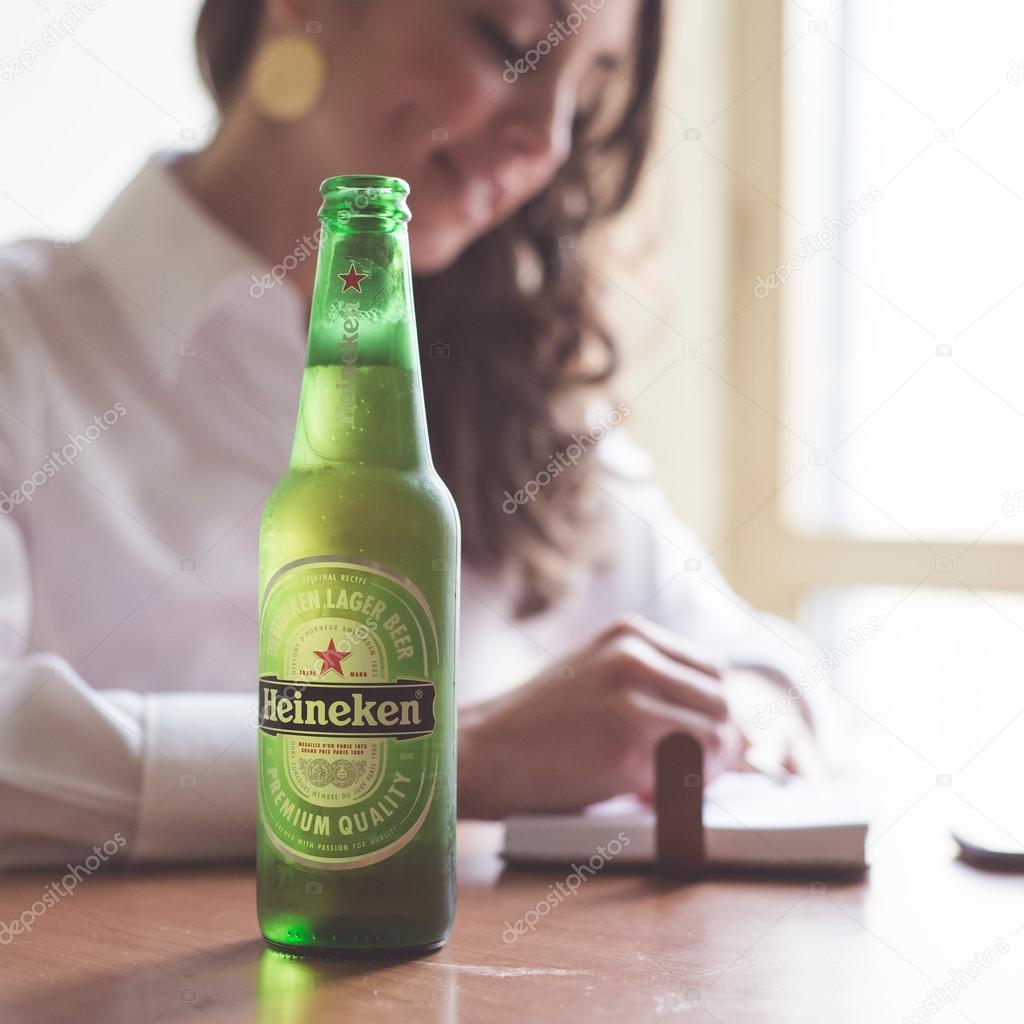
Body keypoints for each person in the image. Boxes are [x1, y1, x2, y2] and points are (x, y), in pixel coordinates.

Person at [0, 0, 815, 869]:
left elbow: (767, 672)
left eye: (587, 97)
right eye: (509, 46)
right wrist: (451, 757)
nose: (546, 141)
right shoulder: (27, 344)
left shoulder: (511, 390)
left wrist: (720, 722)